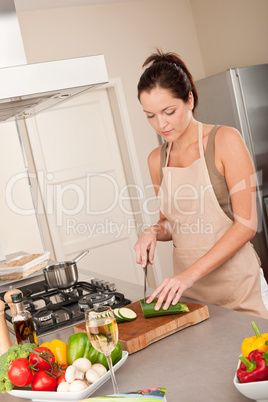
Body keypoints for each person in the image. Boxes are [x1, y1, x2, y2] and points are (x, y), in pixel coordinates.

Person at [134, 49, 268, 319]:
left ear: (190, 100)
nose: (161, 124)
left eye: (169, 111)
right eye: (150, 115)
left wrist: (187, 276)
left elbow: (246, 225)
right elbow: (172, 222)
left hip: (239, 287)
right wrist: (151, 232)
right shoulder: (155, 160)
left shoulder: (225, 140)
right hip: (191, 295)